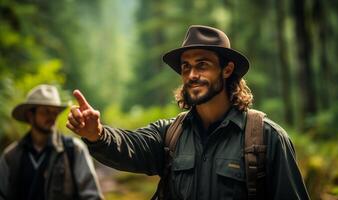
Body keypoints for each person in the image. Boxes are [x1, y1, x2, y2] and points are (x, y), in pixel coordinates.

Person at [66, 25, 310, 199]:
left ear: (227, 69)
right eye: (186, 67)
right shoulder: (171, 134)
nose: (192, 75)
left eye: (202, 65)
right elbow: (130, 145)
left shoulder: (266, 139)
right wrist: (96, 134)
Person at [0, 84, 104, 200]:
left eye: (55, 112)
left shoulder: (74, 149)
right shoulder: (10, 156)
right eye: (45, 112)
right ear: (30, 115)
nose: (52, 117)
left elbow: (92, 196)